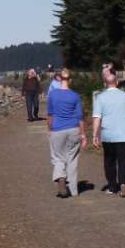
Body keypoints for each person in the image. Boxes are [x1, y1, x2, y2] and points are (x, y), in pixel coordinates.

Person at [91, 66, 125, 197]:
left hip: (108, 135)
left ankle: (112, 186)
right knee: (123, 160)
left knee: (109, 161)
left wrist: (95, 135)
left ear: (105, 84)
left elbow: (97, 118)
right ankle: (123, 183)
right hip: (123, 135)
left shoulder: (101, 98)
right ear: (117, 83)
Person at [47, 68, 86, 198]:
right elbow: (80, 116)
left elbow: (50, 115)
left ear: (60, 79)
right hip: (73, 128)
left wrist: (49, 130)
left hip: (58, 128)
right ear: (70, 80)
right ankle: (73, 190)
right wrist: (83, 134)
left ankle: (60, 177)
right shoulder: (74, 95)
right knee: (72, 159)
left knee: (58, 157)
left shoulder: (52, 95)